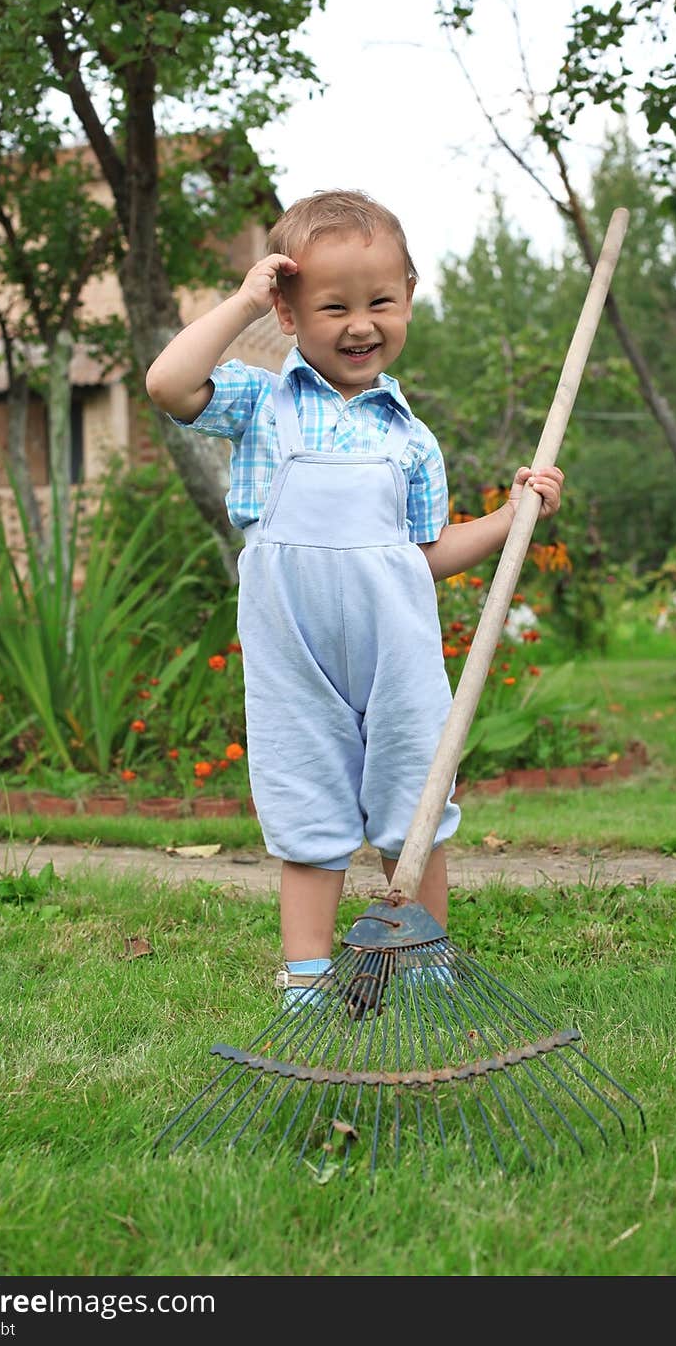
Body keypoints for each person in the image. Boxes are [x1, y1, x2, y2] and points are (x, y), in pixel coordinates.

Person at [145, 188, 564, 1006]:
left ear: (408, 299)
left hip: (396, 645)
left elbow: (427, 553)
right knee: (306, 795)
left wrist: (512, 517)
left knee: (416, 792)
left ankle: (424, 953)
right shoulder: (262, 403)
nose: (360, 322)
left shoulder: (410, 437)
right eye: (332, 306)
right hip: (294, 652)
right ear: (290, 315)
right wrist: (240, 306)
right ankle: (307, 969)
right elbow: (167, 384)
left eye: (380, 301)